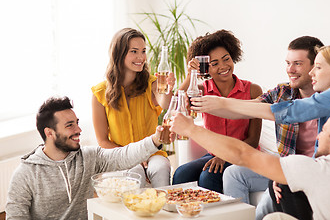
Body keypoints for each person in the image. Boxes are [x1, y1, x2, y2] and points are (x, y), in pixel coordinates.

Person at [191, 44, 330, 218]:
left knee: (281, 189)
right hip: (307, 167)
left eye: (316, 67)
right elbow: (249, 108)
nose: (310, 72)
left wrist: (221, 104)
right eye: (288, 63)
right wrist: (213, 104)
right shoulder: (287, 92)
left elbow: (291, 111)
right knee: (246, 182)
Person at [171, 102, 330, 220]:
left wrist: (191, 129)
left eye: (324, 131)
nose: (318, 136)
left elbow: (244, 154)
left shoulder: (320, 171)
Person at [5, 96, 173, 220]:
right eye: (70, 125)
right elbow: (15, 217)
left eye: (77, 122)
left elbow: (123, 155)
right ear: (49, 133)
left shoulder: (88, 157)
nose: (78, 129)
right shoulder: (25, 174)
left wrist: (155, 140)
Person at [222, 36, 323, 219]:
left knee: (267, 205)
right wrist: (207, 103)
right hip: (284, 164)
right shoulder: (283, 92)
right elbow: (246, 108)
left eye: (298, 64)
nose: (290, 70)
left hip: (313, 170)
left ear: (316, 66)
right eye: (288, 63)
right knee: (234, 173)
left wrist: (286, 175)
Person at [172, 29, 263, 193]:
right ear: (206, 68)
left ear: (233, 57)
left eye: (226, 59)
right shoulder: (200, 90)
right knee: (181, 173)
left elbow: (254, 140)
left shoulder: (253, 90)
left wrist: (225, 156)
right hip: (214, 155)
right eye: (214, 63)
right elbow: (176, 104)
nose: (223, 66)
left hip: (245, 154)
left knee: (209, 176)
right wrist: (190, 75)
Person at [91, 28, 175, 188]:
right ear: (119, 54)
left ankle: (165, 208)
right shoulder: (99, 94)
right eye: (134, 51)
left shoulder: (152, 83)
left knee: (161, 167)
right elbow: (102, 141)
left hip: (152, 152)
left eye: (143, 51)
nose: (141, 57)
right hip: (120, 154)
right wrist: (133, 155)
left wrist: (168, 88)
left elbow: (166, 105)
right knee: (134, 170)